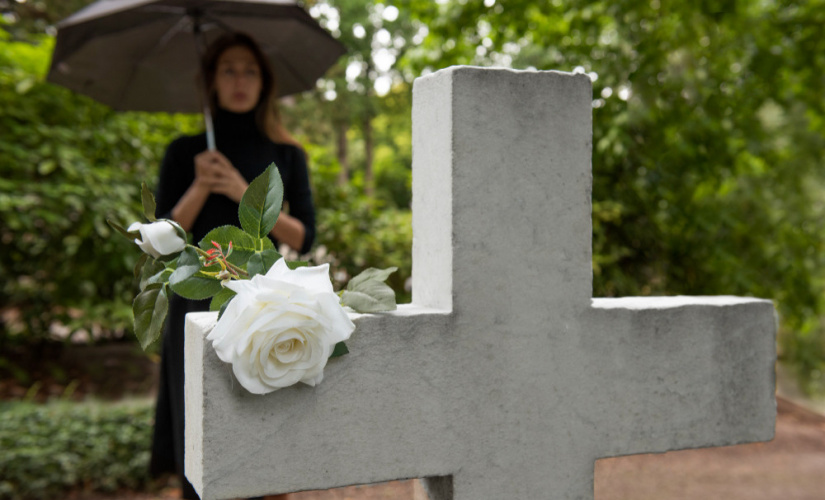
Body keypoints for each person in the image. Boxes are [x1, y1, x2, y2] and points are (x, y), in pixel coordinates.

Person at [149, 32, 315, 500]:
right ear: (211, 82)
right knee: (200, 427)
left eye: (250, 70)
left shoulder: (287, 155)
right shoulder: (185, 152)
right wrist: (201, 186)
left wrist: (245, 191)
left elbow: (303, 236)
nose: (240, 80)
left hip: (264, 304)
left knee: (265, 425)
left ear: (264, 83)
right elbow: (161, 243)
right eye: (228, 69)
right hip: (195, 303)